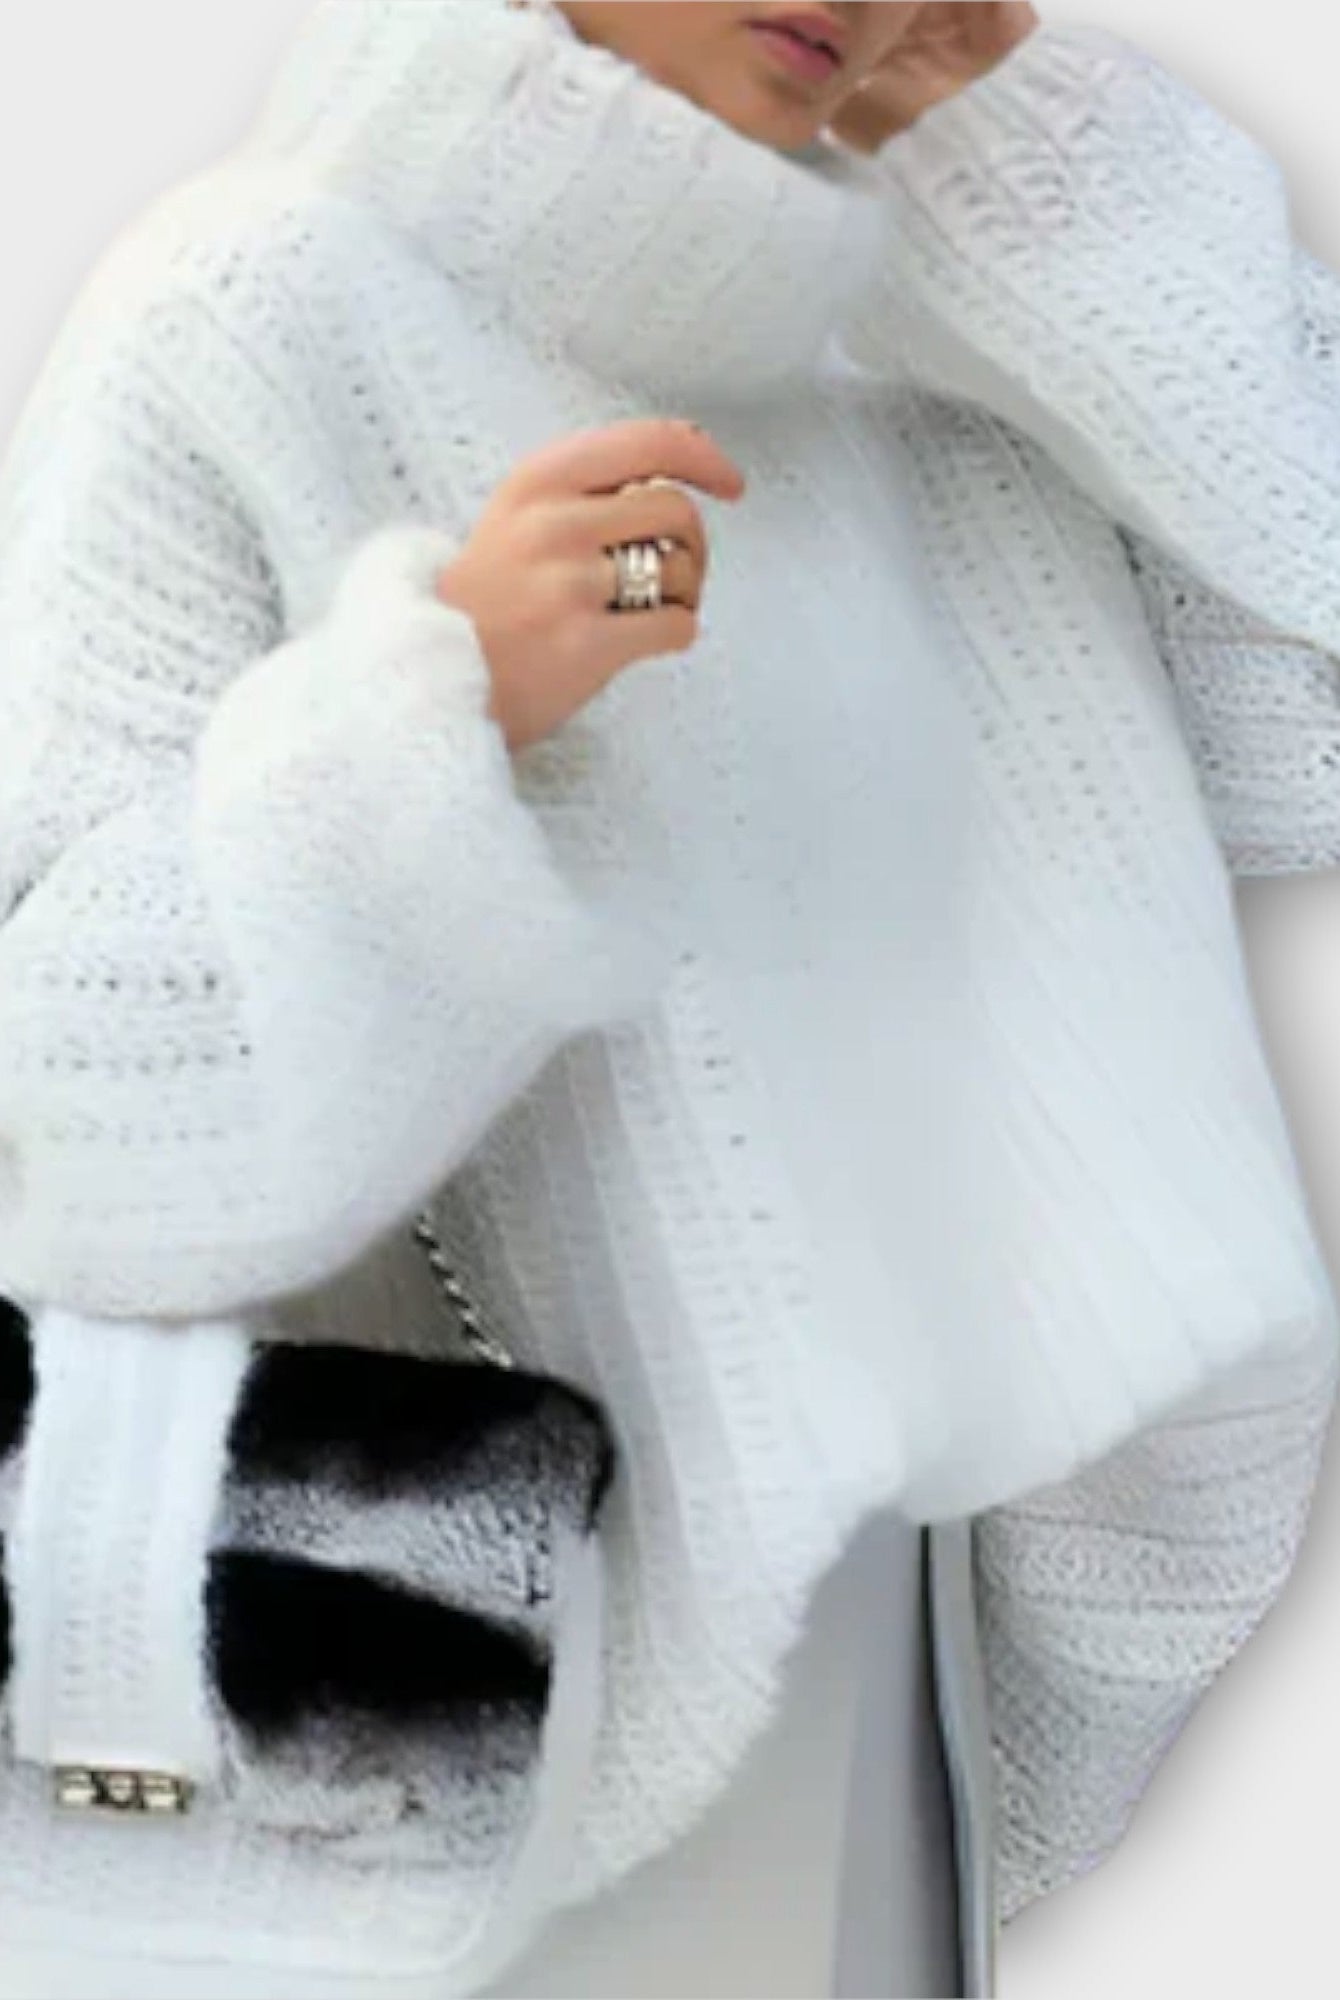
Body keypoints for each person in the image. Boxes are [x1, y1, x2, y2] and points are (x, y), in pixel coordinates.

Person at [0, 1, 1337, 1994]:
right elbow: (57, 1131)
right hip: (436, 1694)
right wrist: (432, 720)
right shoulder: (245, 306)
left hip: (886, 1673)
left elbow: (1300, 713)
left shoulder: (920, 371)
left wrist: (1033, 154)